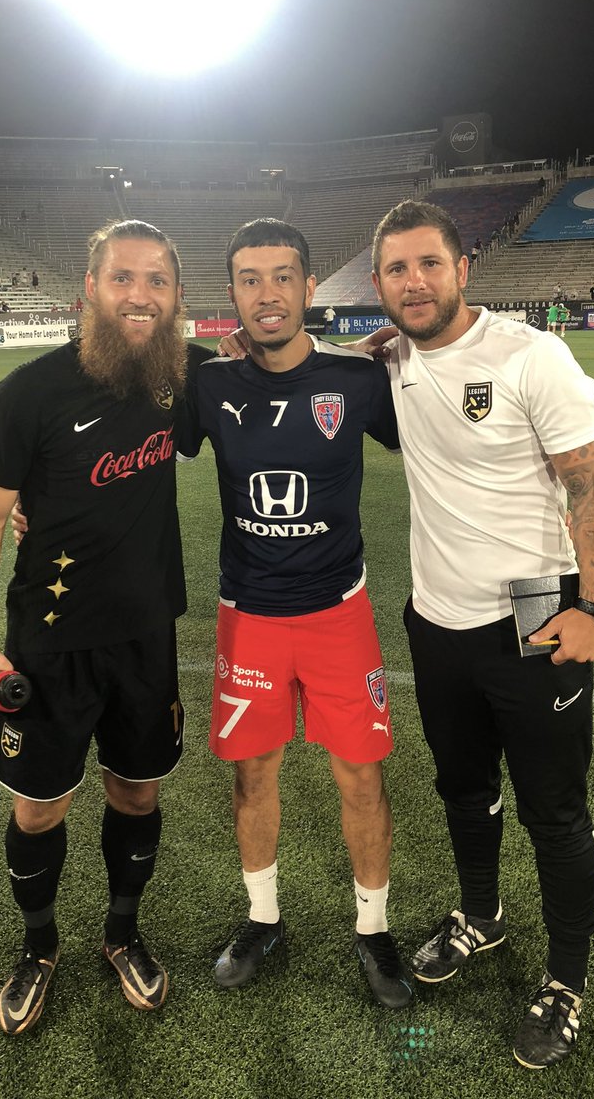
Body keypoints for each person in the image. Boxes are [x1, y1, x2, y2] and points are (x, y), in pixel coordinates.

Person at [364, 199, 594, 1070]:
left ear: (463, 267)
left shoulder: (528, 356)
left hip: (537, 615)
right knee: (462, 789)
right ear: (379, 285)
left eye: (429, 263)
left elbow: (591, 485)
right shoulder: (390, 357)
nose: (415, 281)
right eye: (398, 269)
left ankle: (566, 979)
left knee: (555, 810)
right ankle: (482, 916)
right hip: (435, 620)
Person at [0, 219, 208, 1034]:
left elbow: (277, 373)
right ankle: (38, 946)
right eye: (124, 278)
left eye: (158, 281)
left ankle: (123, 935)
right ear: (89, 290)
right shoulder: (27, 392)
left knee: (137, 791)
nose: (141, 295)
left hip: (146, 637)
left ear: (174, 299)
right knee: (40, 807)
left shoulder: (182, 379)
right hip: (51, 641)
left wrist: (379, 349)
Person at [183, 219, 412, 1009]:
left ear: (311, 287)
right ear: (233, 294)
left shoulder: (357, 382)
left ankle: (374, 930)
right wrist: (33, 508)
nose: (268, 293)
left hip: (338, 615)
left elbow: (437, 434)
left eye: (283, 276)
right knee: (253, 775)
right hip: (247, 616)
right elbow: (133, 453)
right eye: (250, 279)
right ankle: (263, 918)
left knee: (362, 775)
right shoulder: (208, 387)